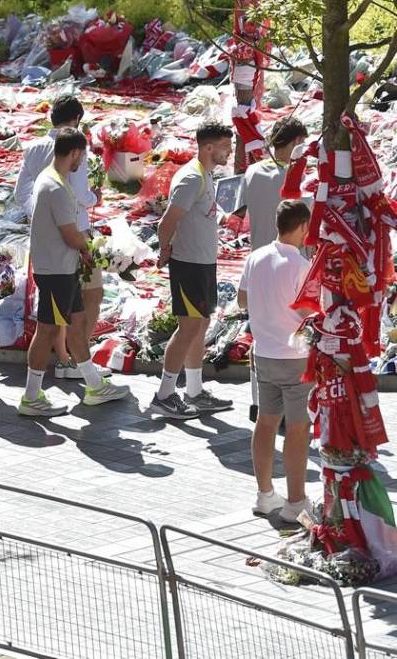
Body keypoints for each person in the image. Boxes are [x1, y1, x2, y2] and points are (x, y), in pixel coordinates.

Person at [20, 129, 130, 416]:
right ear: (76, 153)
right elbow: (70, 234)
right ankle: (31, 396)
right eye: (83, 155)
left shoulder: (56, 181)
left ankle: (94, 385)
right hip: (56, 269)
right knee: (47, 330)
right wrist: (94, 249)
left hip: (64, 267)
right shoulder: (55, 186)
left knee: (77, 323)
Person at [11, 94, 110, 382]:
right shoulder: (73, 151)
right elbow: (79, 194)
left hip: (47, 237)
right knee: (84, 298)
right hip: (73, 234)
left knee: (65, 309)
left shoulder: (35, 149)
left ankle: (75, 365)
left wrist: (42, 216)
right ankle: (66, 368)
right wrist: (92, 199)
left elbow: (21, 193)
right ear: (77, 120)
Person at [151, 121, 236, 419]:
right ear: (208, 147)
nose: (230, 151)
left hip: (203, 263)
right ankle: (164, 394)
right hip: (188, 265)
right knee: (188, 328)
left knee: (200, 326)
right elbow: (167, 222)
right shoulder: (190, 178)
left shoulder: (207, 175)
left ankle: (195, 391)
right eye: (226, 146)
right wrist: (165, 250)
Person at [240, 200, 315, 521]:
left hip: (263, 353)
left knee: (266, 421)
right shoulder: (300, 265)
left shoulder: (255, 257)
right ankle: (296, 502)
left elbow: (242, 299)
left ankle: (265, 494)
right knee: (298, 429)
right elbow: (309, 311)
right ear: (302, 227)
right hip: (295, 356)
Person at [244, 117, 308, 249]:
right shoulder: (297, 179)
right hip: (289, 258)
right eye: (302, 143)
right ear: (296, 142)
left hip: (258, 253)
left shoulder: (251, 171)